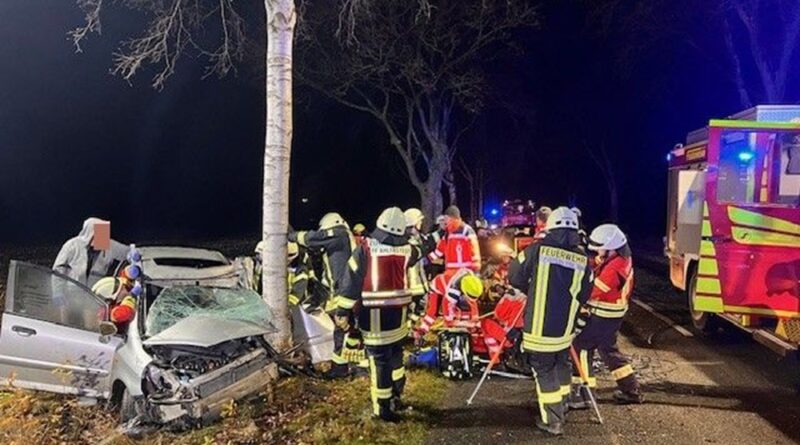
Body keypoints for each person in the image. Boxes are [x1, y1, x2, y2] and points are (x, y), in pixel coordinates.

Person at [509, 207, 593, 436]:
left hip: (539, 327)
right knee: (561, 362)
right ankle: (563, 404)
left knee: (544, 369)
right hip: (565, 328)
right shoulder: (583, 257)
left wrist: (531, 288)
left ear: (550, 227)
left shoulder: (537, 250)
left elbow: (514, 275)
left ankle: (553, 420)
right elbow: (586, 293)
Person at [336, 207, 424, 422]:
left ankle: (382, 409)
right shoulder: (407, 250)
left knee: (379, 362)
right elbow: (424, 248)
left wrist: (342, 311)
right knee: (396, 356)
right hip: (399, 316)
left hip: (374, 317)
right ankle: (397, 396)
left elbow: (351, 281)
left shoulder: (365, 248)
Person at [570, 224, 642, 407]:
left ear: (612, 247)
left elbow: (593, 290)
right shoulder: (619, 259)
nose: (598, 252)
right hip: (612, 315)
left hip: (604, 315)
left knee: (582, 347)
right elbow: (597, 264)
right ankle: (630, 389)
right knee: (608, 350)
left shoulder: (616, 267)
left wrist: (571, 291)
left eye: (601, 248)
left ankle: (584, 395)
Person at [289, 212, 359, 376]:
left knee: (346, 330)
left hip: (346, 294)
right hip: (346, 292)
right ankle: (342, 366)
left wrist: (292, 235)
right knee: (345, 331)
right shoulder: (342, 241)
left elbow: (312, 238)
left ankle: (351, 367)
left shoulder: (338, 234)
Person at [53, 218, 128, 288]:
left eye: (104, 233)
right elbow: (58, 270)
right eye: (100, 233)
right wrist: (58, 293)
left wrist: (134, 254)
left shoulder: (109, 246)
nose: (103, 238)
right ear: (90, 233)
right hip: (71, 291)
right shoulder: (72, 245)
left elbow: (128, 251)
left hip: (94, 295)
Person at [415, 269, 484, 340]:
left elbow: (472, 302)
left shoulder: (472, 283)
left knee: (464, 308)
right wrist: (460, 323)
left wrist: (475, 318)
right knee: (433, 311)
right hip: (437, 287)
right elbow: (448, 320)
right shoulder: (452, 293)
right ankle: (422, 330)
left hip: (453, 284)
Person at [429, 206, 481, 278]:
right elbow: (440, 250)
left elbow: (474, 252)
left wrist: (476, 271)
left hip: (465, 273)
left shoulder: (466, 230)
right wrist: (428, 258)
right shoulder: (448, 233)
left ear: (452, 218)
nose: (445, 221)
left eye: (446, 218)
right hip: (451, 273)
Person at [404, 208, 430, 320]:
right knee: (411, 308)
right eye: (419, 221)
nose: (421, 223)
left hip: (420, 279)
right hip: (410, 282)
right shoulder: (405, 239)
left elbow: (429, 243)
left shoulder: (418, 237)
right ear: (413, 222)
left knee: (422, 306)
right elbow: (410, 260)